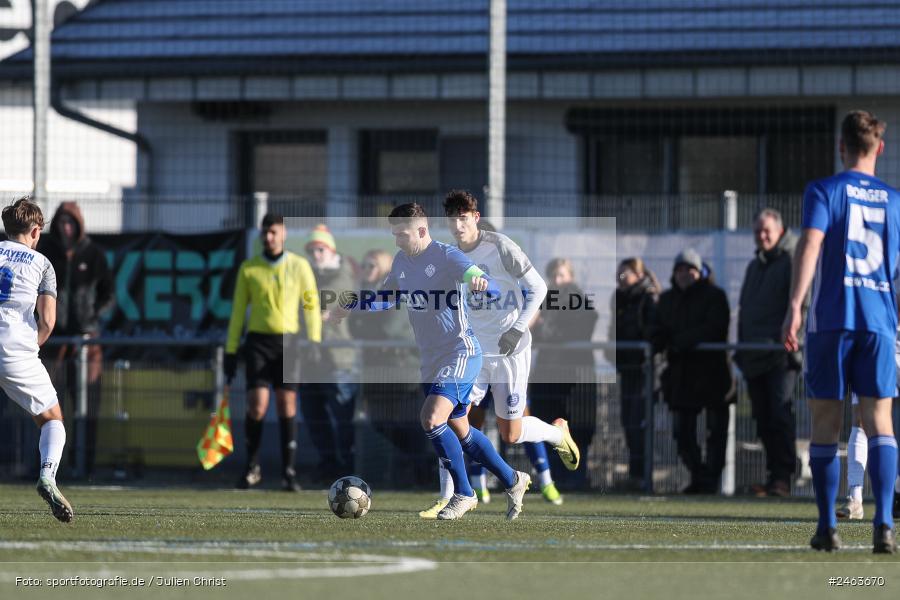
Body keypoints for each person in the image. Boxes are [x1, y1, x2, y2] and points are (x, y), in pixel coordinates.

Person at [331, 202, 534, 521]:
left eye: (402, 234)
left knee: (431, 418)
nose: (397, 239)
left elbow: (480, 278)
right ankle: (513, 479)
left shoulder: (446, 255)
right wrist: (351, 305)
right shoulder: (401, 261)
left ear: (422, 231)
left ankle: (464, 494)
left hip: (461, 352)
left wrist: (483, 284)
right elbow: (387, 298)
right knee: (461, 430)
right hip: (431, 360)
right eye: (394, 234)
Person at [418, 190, 577, 518]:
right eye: (452, 219)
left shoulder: (500, 246)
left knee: (512, 433)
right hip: (471, 354)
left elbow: (539, 288)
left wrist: (517, 328)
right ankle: (449, 496)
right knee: (447, 416)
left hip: (510, 352)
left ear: (475, 217)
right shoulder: (448, 254)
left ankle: (555, 433)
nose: (458, 225)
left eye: (463, 218)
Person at [783, 110, 899, 553]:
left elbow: (811, 244)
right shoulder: (894, 201)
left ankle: (828, 526)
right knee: (880, 421)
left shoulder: (824, 190)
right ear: (880, 148)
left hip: (831, 320)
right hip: (878, 323)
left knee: (826, 425)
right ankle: (884, 524)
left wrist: (795, 306)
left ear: (841, 146)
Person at [224, 213, 321, 492]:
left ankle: (288, 472)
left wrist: (314, 340)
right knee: (256, 405)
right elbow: (238, 312)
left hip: (288, 343)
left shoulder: (299, 266)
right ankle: (252, 467)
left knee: (287, 405)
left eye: (274, 232)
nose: (269, 237)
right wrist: (231, 350)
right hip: (257, 343)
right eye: (265, 232)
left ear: (284, 234)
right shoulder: (249, 268)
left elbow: (311, 303)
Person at [0, 197, 72, 522]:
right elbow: (47, 321)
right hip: (15, 350)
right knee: (52, 419)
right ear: (35, 231)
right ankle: (47, 476)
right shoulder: (42, 264)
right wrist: (32, 350)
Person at [38, 201, 113, 478]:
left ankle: (85, 466)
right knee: (48, 404)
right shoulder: (47, 254)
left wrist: (92, 316)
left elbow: (109, 294)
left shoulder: (93, 254)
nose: (65, 228)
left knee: (87, 405)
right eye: (61, 223)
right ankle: (49, 465)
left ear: (78, 225)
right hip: (53, 341)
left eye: (70, 223)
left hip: (86, 342)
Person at [651, 249, 732, 495]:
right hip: (681, 376)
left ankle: (710, 481)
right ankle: (700, 478)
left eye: (690, 269)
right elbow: (657, 330)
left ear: (700, 272)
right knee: (682, 432)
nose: (685, 274)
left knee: (716, 433)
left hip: (713, 375)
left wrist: (679, 341)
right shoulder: (666, 300)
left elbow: (715, 328)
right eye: (680, 269)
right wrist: (663, 340)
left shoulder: (715, 296)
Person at [735, 209, 800, 498]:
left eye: (767, 231)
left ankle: (783, 477)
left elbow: (800, 303)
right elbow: (746, 310)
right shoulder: (755, 265)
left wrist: (788, 340)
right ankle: (774, 476)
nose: (762, 236)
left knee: (780, 415)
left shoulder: (791, 260)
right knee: (762, 419)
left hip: (779, 355)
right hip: (754, 355)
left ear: (780, 230)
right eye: (758, 231)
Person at [529, 258, 598, 489]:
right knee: (547, 423)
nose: (557, 281)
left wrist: (543, 329)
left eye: (562, 275)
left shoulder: (579, 301)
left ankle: (576, 477)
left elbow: (578, 329)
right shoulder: (544, 301)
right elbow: (534, 332)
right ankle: (553, 479)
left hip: (575, 376)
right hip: (548, 374)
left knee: (577, 426)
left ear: (571, 276)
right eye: (554, 276)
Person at [301, 224, 360, 483]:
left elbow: (319, 307)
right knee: (315, 417)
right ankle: (328, 465)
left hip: (339, 360)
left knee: (342, 419)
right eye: (311, 249)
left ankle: (346, 468)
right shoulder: (311, 276)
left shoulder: (342, 276)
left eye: (320, 248)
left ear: (331, 250)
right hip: (312, 361)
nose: (316, 253)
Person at [608, 257, 660, 491]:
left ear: (638, 275)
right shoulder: (619, 299)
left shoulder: (648, 298)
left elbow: (652, 332)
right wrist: (614, 353)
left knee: (640, 423)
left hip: (644, 371)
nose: (620, 280)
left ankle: (643, 476)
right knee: (628, 423)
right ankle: (636, 474)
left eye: (625, 275)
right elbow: (614, 331)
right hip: (627, 369)